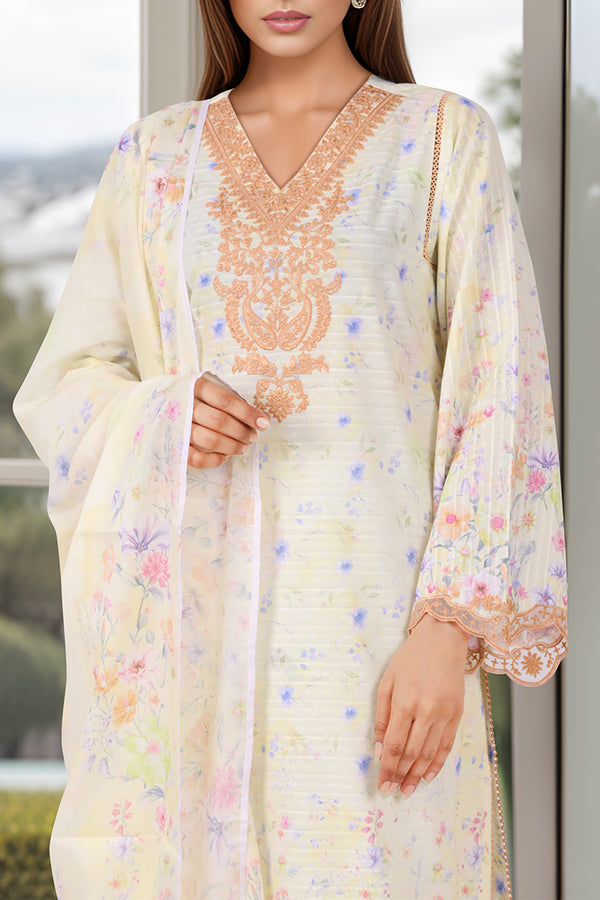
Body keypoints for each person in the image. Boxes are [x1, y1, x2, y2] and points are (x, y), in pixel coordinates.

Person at [14, 0, 567, 897]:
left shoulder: (441, 142)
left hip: (382, 651)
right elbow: (66, 382)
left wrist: (447, 632)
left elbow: (499, 391)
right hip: (195, 659)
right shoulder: (155, 159)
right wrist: (163, 416)